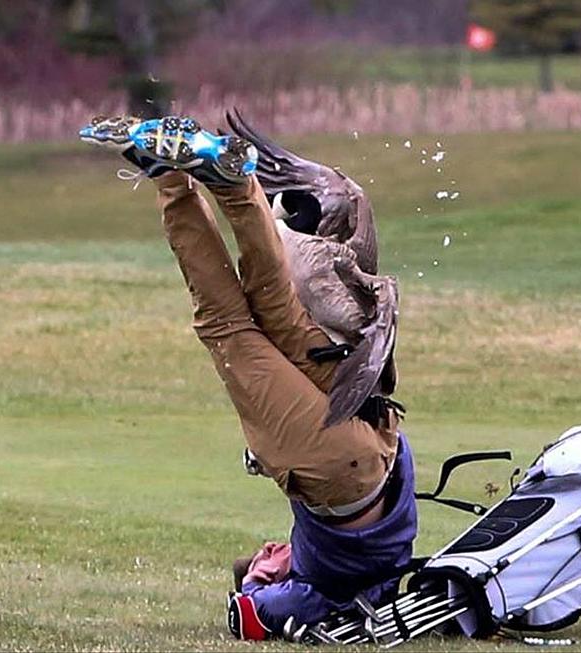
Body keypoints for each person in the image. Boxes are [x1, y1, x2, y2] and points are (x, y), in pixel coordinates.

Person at [79, 115, 418, 640]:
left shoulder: (371, 559)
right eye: (264, 563)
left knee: (271, 299)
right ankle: (172, 178)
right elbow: (250, 619)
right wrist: (252, 589)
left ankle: (230, 180)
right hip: (343, 468)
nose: (263, 553)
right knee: (224, 326)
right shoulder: (320, 589)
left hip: (372, 428)